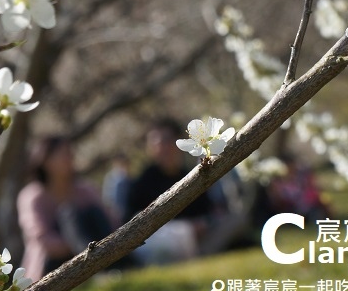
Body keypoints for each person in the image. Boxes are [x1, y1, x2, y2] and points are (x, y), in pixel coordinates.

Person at [124, 119, 247, 264]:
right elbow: (134, 220)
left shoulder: (192, 175)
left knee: (236, 219)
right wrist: (186, 228)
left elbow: (205, 211)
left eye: (166, 140)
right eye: (155, 142)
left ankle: (202, 255)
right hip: (164, 240)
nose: (161, 147)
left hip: (197, 239)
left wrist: (201, 224)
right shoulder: (143, 182)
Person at [17, 136, 121, 280]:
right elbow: (42, 239)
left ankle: (114, 265)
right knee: (69, 213)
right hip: (53, 263)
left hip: (97, 250)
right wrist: (80, 244)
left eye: (70, 154)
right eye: (63, 154)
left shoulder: (85, 189)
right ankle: (94, 266)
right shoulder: (32, 196)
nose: (70, 159)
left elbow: (109, 221)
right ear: (46, 160)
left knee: (93, 212)